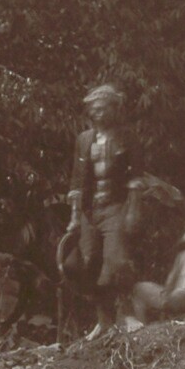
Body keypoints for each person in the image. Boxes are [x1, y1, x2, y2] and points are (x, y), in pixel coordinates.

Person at [56, 83, 134, 337]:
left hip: (116, 206)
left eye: (103, 109)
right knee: (88, 263)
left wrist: (134, 208)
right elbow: (77, 180)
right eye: (94, 110)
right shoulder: (84, 140)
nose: (98, 114)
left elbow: (136, 176)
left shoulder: (126, 137)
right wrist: (74, 216)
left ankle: (126, 314)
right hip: (90, 211)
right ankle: (103, 320)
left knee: (116, 261)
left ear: (114, 109)